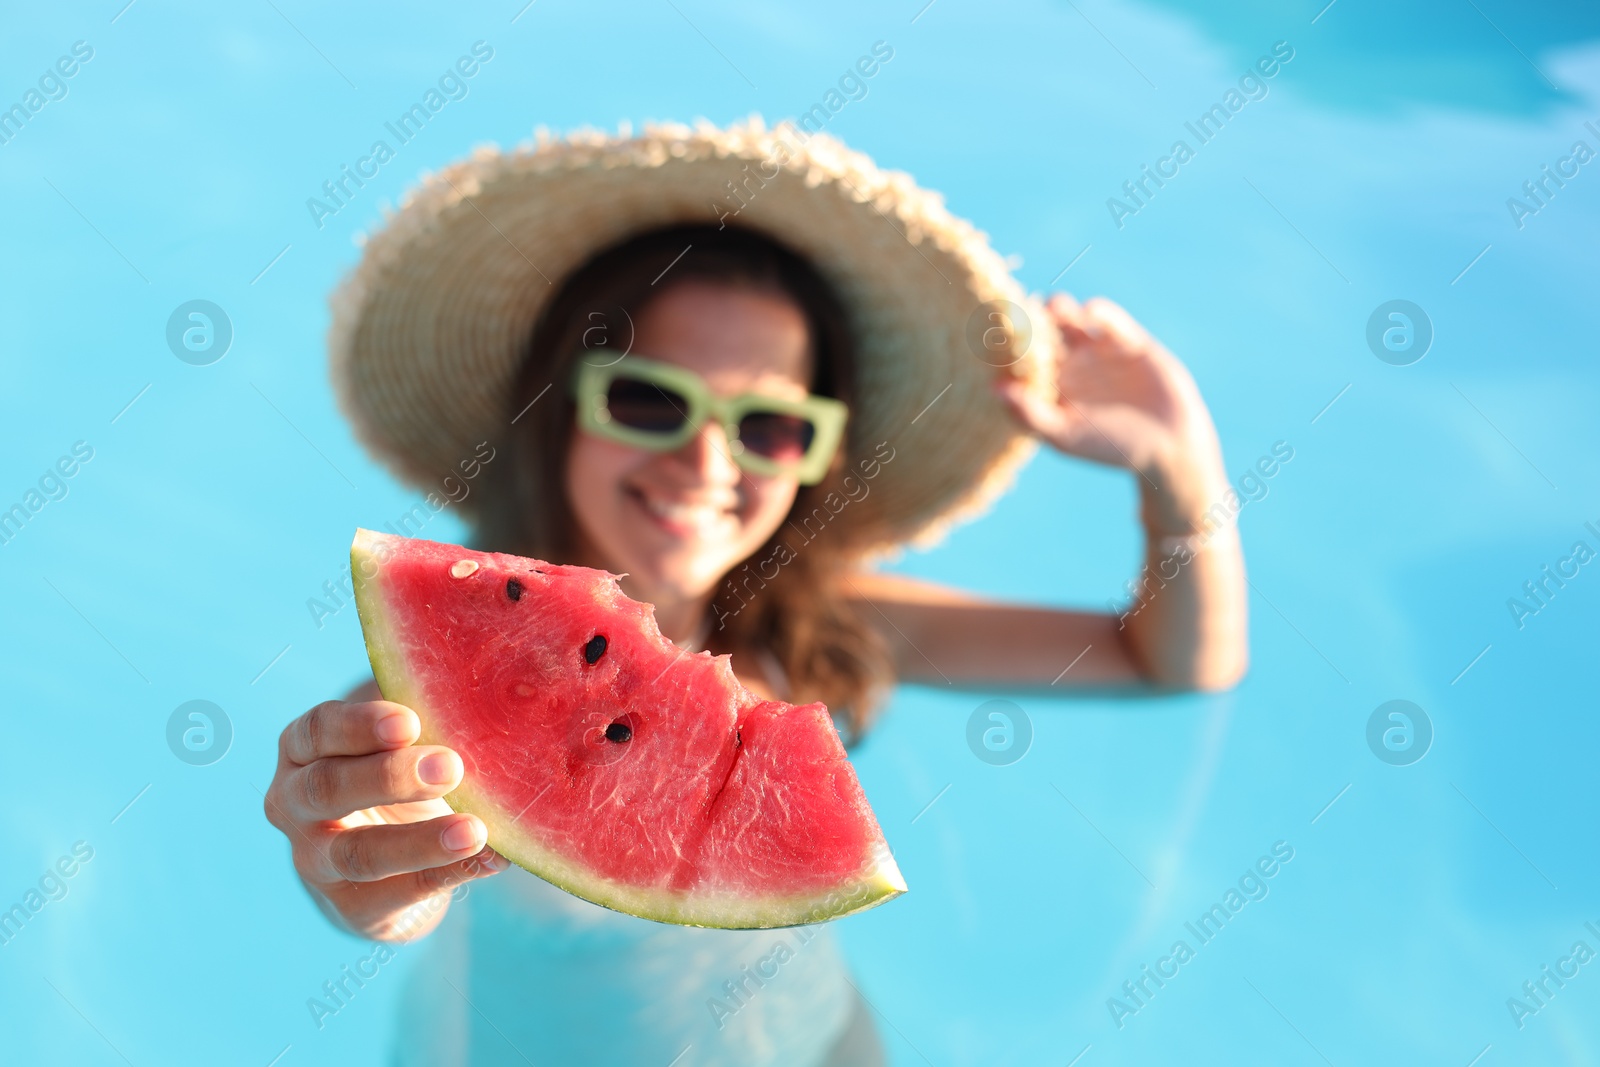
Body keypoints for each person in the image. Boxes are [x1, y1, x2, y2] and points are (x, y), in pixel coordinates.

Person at [264, 119, 1247, 1066]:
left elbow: (1168, 659)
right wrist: (364, 881)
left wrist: (1179, 473)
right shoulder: (437, 693)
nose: (703, 460)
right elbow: (378, 868)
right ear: (560, 405)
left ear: (815, 456)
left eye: (767, 427)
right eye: (649, 398)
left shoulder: (829, 619)